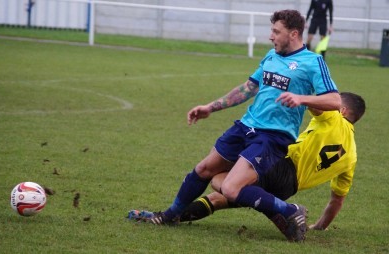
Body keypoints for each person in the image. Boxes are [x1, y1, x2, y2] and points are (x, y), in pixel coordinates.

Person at [131, 9, 340, 242]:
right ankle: (168, 216)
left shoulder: (313, 62)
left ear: (293, 34)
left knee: (230, 189)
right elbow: (248, 88)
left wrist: (303, 98)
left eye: (275, 31)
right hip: (245, 127)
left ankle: (290, 210)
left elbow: (335, 100)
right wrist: (210, 107)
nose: (271, 36)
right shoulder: (271, 56)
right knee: (204, 170)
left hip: (272, 137)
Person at [129, 92, 366, 237]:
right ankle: (169, 217)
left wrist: (300, 94)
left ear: (342, 109)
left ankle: (285, 211)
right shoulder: (352, 157)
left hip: (280, 165)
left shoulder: (334, 117)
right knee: (221, 198)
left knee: (218, 180)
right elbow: (337, 200)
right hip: (288, 186)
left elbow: (317, 104)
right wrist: (320, 227)